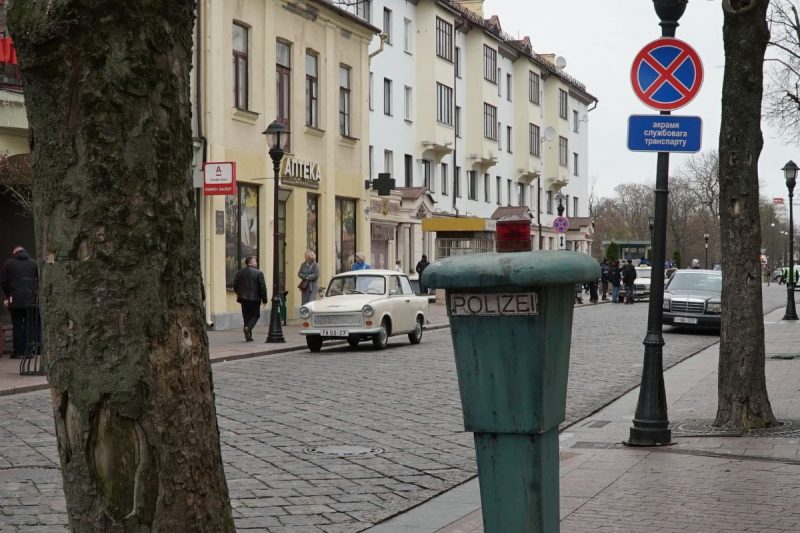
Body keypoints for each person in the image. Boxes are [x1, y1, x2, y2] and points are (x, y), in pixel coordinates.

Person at [0, 246, 39, 358]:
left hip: (15, 300)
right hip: (31, 300)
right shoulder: (33, 263)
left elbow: (3, 282)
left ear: (14, 252)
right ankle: (29, 351)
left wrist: (9, 294)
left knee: (17, 325)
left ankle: (17, 352)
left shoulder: (8, 263)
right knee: (29, 325)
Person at [233, 256, 267, 342]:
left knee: (246, 317)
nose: (256, 263)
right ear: (251, 263)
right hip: (254, 298)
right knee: (255, 315)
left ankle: (248, 336)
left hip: (243, 298)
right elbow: (262, 287)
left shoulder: (239, 273)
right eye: (255, 261)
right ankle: (248, 328)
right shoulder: (258, 273)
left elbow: (235, 285)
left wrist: (239, 293)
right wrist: (264, 299)